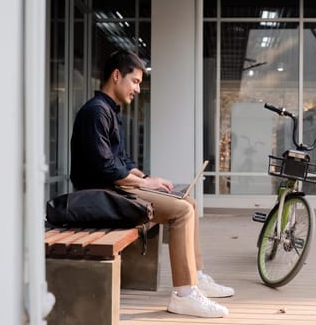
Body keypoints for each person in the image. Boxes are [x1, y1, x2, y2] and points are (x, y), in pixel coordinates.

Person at [70, 49, 234, 318]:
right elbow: (106, 168)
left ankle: (197, 276)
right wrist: (145, 183)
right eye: (134, 81)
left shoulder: (109, 111)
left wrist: (147, 180)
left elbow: (122, 161)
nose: (137, 89)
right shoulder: (95, 113)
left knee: (187, 201)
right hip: (100, 198)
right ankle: (184, 294)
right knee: (181, 211)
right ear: (116, 75)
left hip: (113, 191)